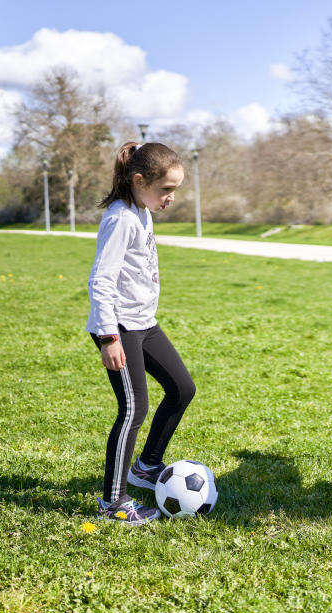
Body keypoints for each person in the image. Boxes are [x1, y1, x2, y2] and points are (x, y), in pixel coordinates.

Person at [86, 141, 194, 525]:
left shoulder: (142, 211)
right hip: (120, 328)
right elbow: (101, 280)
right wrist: (108, 337)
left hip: (144, 324)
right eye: (166, 189)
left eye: (175, 189)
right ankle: (113, 502)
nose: (171, 197)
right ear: (138, 180)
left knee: (182, 389)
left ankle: (146, 466)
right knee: (133, 409)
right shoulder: (121, 218)